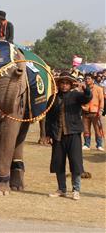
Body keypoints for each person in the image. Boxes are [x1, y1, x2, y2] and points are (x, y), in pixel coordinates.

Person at [44, 72, 92, 200]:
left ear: (70, 85)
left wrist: (85, 89)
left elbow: (87, 98)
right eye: (62, 83)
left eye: (67, 83)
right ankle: (61, 189)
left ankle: (76, 190)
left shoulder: (76, 96)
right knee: (58, 163)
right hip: (57, 135)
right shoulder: (53, 98)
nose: (64, 85)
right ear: (59, 84)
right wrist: (47, 134)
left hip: (73, 133)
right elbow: (48, 118)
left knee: (76, 163)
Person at [82, 74, 104, 151]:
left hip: (95, 112)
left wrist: (101, 110)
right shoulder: (83, 89)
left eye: (88, 79)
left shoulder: (99, 89)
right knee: (86, 129)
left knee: (98, 129)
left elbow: (101, 100)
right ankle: (87, 144)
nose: (87, 80)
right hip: (85, 111)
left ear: (92, 80)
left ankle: (99, 145)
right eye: (86, 79)